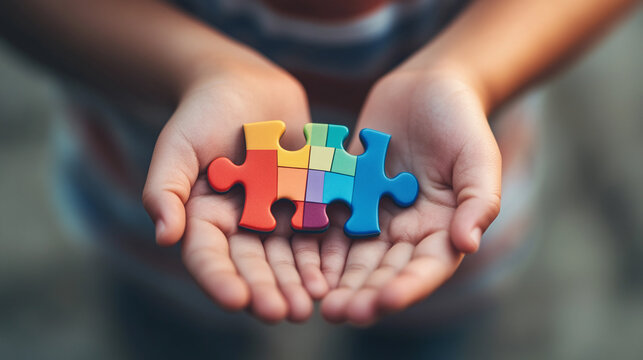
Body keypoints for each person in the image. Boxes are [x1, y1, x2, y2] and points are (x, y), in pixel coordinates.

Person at [0, 0, 636, 344]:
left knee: (429, 338)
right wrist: (192, 67)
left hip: (445, 219)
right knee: (173, 329)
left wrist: (471, 71)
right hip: (164, 204)